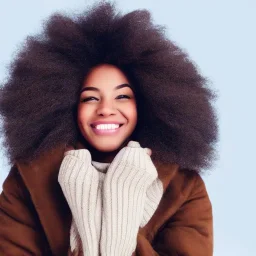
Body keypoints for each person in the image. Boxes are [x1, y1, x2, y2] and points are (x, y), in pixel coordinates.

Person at [0, 2, 218, 256]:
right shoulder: (28, 180)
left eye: (123, 97)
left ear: (148, 103)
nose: (105, 109)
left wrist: (120, 213)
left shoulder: (183, 187)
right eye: (90, 98)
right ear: (66, 105)